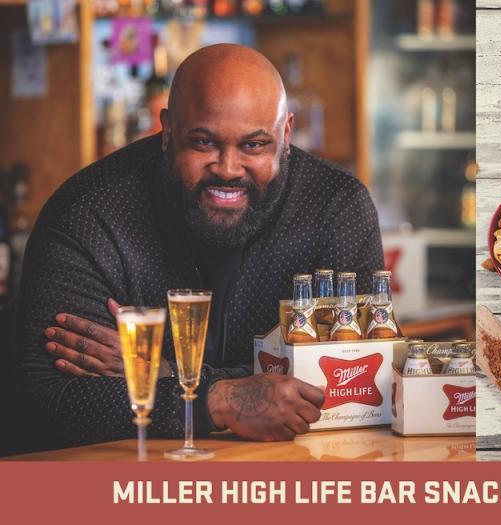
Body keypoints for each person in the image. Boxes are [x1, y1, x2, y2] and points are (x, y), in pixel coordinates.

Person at [10, 44, 384, 452]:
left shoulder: (336, 205)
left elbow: (357, 376)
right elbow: (51, 399)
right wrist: (218, 400)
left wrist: (170, 376)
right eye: (204, 143)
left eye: (254, 145)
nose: (227, 168)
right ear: (167, 130)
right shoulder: (87, 213)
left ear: (286, 133)